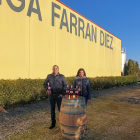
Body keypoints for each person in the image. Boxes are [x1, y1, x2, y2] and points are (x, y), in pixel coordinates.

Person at [43, 65, 67, 129]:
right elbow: (44, 84)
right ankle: (53, 124)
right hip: (51, 95)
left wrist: (62, 94)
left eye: (56, 68)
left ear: (58, 69)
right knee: (52, 110)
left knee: (60, 110)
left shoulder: (62, 76)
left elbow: (65, 86)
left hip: (59, 96)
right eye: (54, 68)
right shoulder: (49, 76)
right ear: (52, 69)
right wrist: (47, 90)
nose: (55, 69)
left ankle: (63, 124)